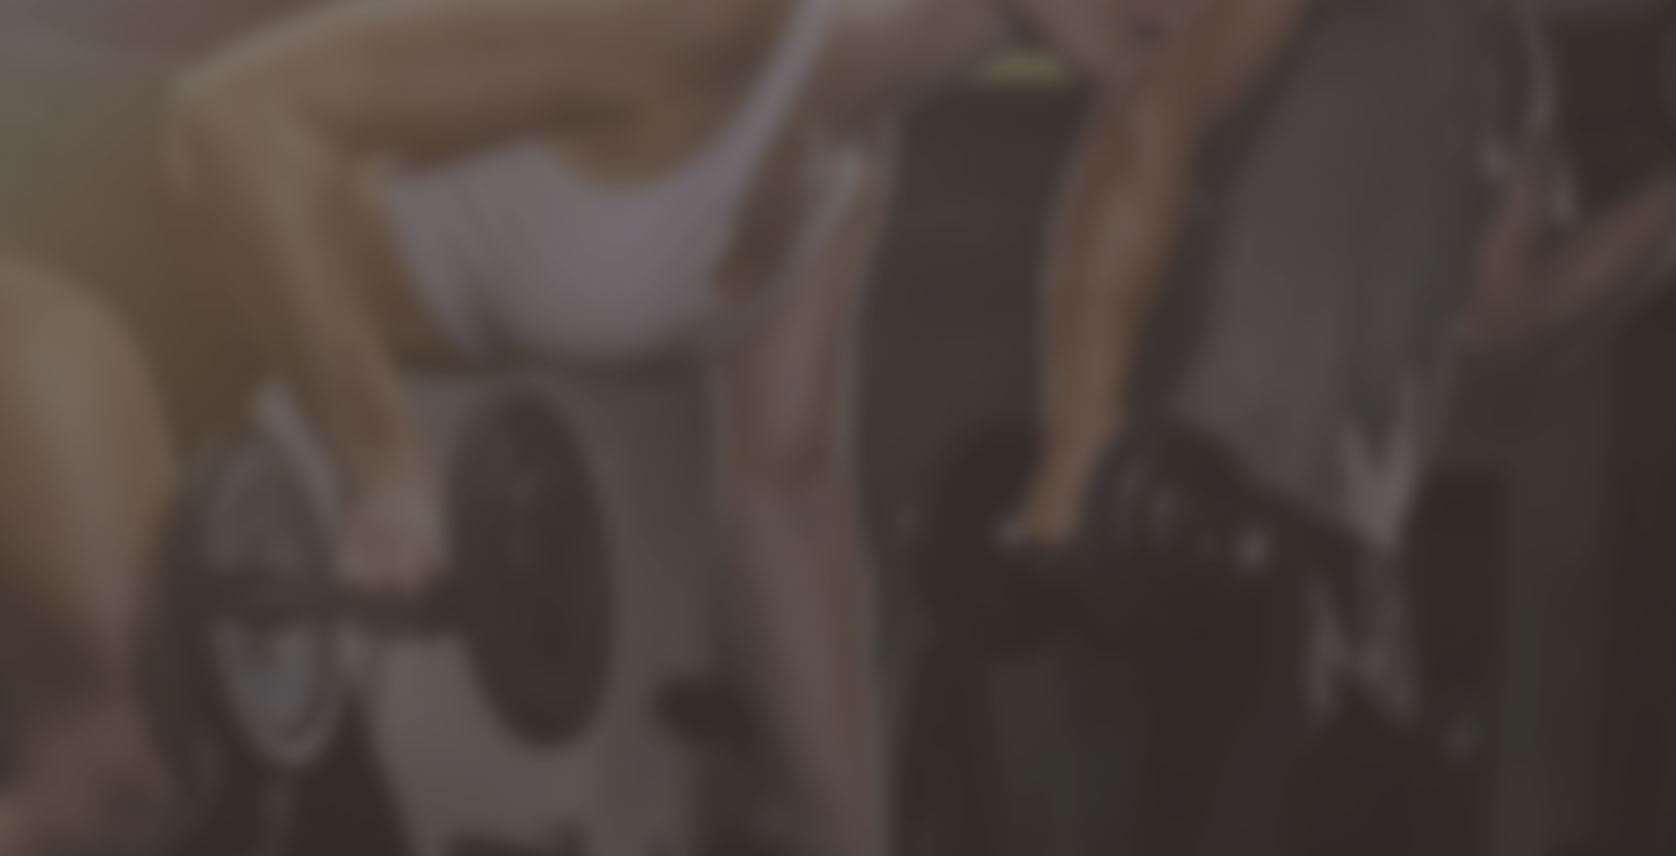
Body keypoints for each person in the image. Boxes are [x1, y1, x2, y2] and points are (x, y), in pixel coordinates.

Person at [0, 0, 1198, 853]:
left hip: (191, 334)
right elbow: (229, 121)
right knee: (121, 783)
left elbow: (785, 500)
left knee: (304, 827)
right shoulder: (703, 24)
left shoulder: (844, 163)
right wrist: (384, 462)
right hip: (53, 197)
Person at [1006, 0, 1676, 851]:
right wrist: (1080, 447)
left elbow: (1519, 311)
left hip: (1355, 559)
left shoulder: (1512, 50)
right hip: (1206, 522)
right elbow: (1149, 111)